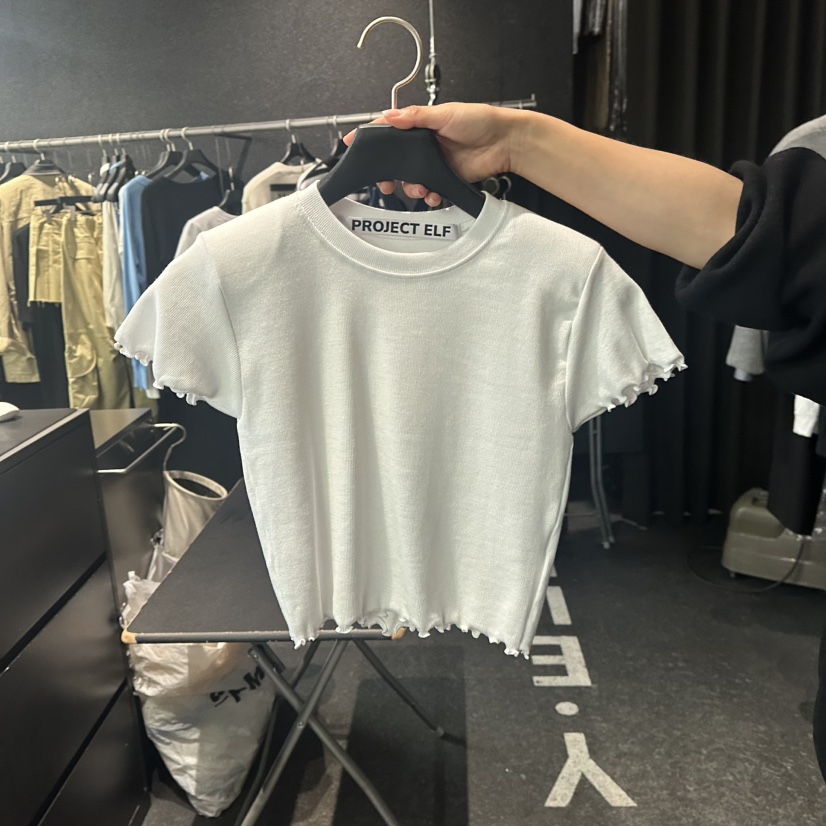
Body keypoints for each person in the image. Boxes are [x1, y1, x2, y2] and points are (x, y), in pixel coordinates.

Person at [344, 102, 826, 779]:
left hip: (478, 564)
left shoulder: (563, 267)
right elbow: (775, 236)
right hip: (334, 566)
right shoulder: (241, 259)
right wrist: (516, 140)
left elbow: (772, 238)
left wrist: (519, 142)